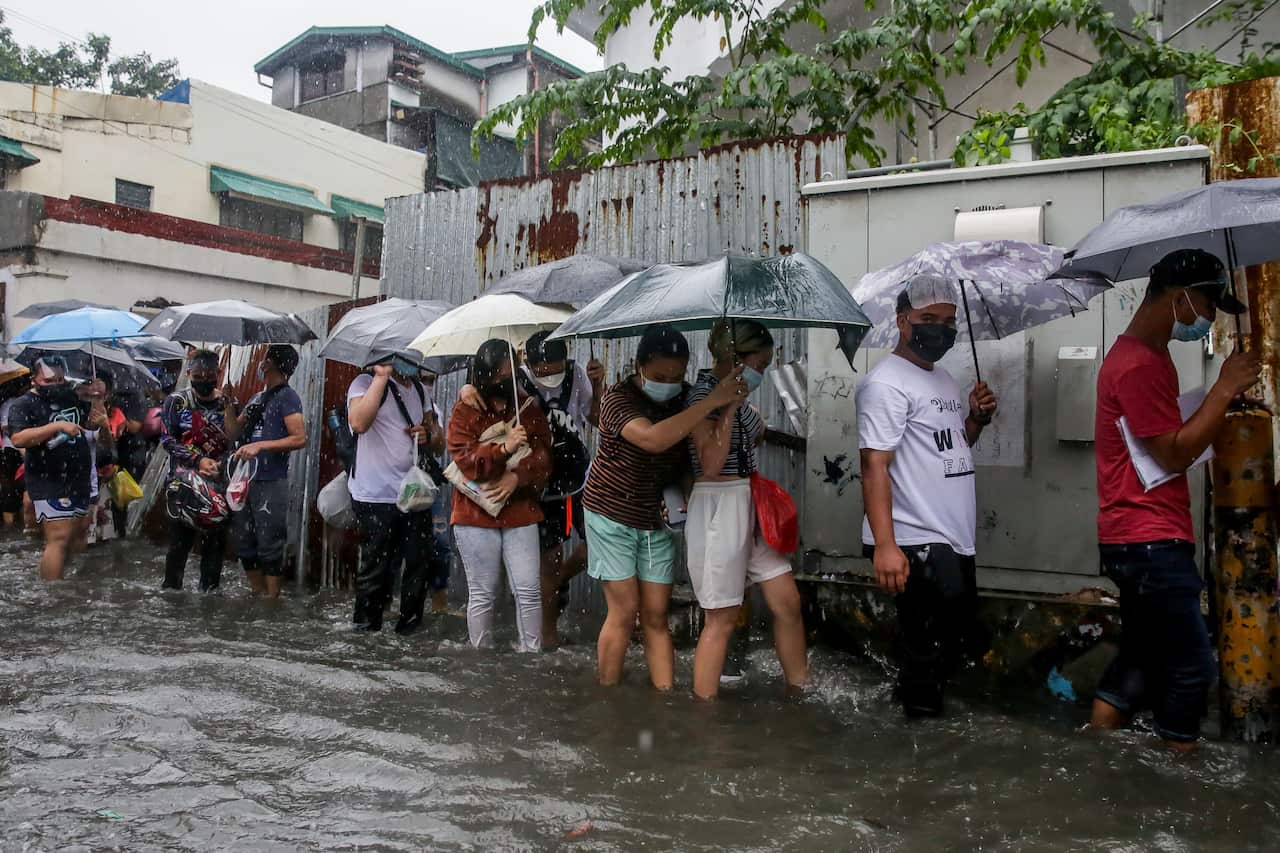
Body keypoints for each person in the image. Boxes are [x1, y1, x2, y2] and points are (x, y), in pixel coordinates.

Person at [1090, 248, 1260, 749]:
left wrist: (1218, 406)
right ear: (1181, 298)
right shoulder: (1139, 365)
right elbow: (1172, 455)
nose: (1208, 319)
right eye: (1208, 306)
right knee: (1191, 669)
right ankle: (1178, 781)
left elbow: (1167, 439)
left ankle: (1096, 751)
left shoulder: (1148, 356)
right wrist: (1223, 388)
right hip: (1150, 541)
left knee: (1139, 660)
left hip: (1138, 538)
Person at [857, 274, 998, 717]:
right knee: (926, 650)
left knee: (947, 647)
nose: (941, 328)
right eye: (928, 319)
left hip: (952, 536)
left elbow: (952, 448)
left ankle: (916, 730)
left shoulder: (944, 381)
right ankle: (917, 760)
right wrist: (885, 545)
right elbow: (873, 465)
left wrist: (976, 420)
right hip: (914, 537)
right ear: (903, 322)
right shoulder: (885, 384)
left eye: (948, 321)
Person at [583, 324, 745, 690]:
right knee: (624, 613)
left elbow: (691, 460)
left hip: (658, 517)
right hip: (611, 513)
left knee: (656, 615)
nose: (669, 382)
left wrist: (685, 493)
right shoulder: (616, 399)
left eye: (677, 375)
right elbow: (653, 440)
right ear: (639, 366)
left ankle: (664, 700)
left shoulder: (687, 399)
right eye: (659, 376)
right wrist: (710, 401)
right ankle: (606, 696)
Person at [686, 320, 809, 699]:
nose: (765, 371)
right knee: (720, 618)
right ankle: (703, 719)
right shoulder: (701, 398)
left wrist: (743, 409)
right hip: (718, 506)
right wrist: (726, 406)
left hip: (749, 502)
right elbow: (708, 463)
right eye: (760, 363)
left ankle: (799, 692)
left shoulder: (740, 399)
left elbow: (755, 431)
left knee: (787, 601)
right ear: (735, 359)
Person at [448, 340, 553, 652]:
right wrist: (504, 449)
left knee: (529, 590)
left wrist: (518, 477)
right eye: (499, 376)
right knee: (482, 592)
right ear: (484, 375)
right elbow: (466, 461)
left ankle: (531, 655)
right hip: (475, 513)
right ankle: (480, 658)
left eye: (511, 373)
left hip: (520, 510)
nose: (505, 381)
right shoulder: (465, 410)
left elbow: (545, 456)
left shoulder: (528, 408)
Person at [346, 352, 446, 633]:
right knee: (375, 571)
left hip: (415, 495)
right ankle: (366, 634)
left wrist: (428, 433)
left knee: (418, 566)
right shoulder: (363, 383)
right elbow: (359, 423)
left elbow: (439, 444)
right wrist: (381, 376)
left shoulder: (418, 389)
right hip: (375, 496)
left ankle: (408, 632)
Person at [517, 331, 605, 646]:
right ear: (529, 362)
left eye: (556, 369)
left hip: (577, 476)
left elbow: (596, 417)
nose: (550, 376)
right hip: (541, 485)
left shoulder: (576, 374)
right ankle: (548, 636)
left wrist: (597, 385)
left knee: (600, 542)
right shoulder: (518, 382)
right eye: (543, 371)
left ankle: (562, 578)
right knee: (548, 561)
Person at [227, 345, 306, 598]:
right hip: (244, 480)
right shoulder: (256, 399)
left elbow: (299, 438)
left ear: (268, 364)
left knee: (270, 542)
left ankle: (272, 600)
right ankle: (256, 594)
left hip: (271, 480)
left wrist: (260, 445)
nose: (260, 363)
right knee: (244, 541)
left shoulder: (288, 398)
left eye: (264, 359)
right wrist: (228, 406)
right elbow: (234, 433)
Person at [8, 357, 96, 580]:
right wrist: (56, 426)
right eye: (49, 381)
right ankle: (53, 592)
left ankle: (72, 584)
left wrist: (97, 398)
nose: (56, 384)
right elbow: (18, 438)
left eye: (60, 379)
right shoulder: (23, 404)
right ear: (34, 380)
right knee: (59, 537)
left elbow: (90, 423)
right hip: (48, 477)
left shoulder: (70, 396)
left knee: (78, 533)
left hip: (79, 476)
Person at [161, 349, 235, 592]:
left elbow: (237, 442)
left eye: (210, 375)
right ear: (189, 373)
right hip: (182, 484)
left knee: (214, 547)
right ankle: (171, 598)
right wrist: (197, 460)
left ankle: (209, 598)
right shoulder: (177, 402)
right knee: (178, 546)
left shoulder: (228, 403)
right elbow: (168, 441)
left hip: (217, 484)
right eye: (199, 375)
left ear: (218, 374)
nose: (204, 380)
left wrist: (220, 464)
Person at [0, 370, 32, 529]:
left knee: (24, 491)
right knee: (9, 492)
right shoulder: (11, 403)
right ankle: (11, 527)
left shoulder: (30, 403)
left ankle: (22, 526)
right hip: (10, 451)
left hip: (26, 450)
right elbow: (5, 425)